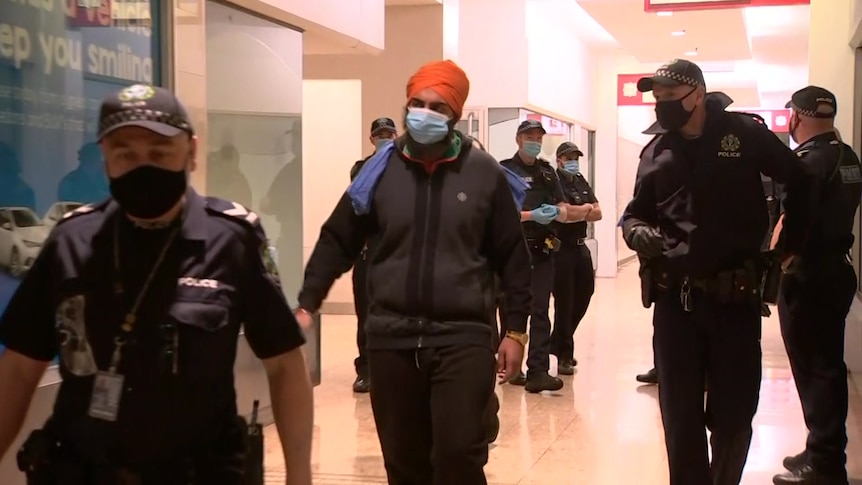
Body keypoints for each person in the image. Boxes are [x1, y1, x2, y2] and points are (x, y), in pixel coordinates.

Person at [0, 84, 313, 485]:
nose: (142, 166)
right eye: (124, 153)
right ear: (106, 160)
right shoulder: (72, 240)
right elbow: (20, 369)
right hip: (83, 473)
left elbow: (285, 365)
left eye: (159, 153)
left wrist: (299, 475)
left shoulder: (231, 239)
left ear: (192, 151)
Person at [294, 60, 531, 485]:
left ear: (454, 117)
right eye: (417, 104)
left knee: (459, 455)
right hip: (390, 338)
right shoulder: (379, 169)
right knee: (404, 463)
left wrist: (515, 330)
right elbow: (337, 238)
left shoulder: (485, 174)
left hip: (463, 335)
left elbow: (513, 255)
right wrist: (308, 300)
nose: (424, 114)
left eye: (437, 108)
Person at [621, 59, 817, 485]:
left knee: (732, 418)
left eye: (670, 97)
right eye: (657, 98)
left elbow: (799, 180)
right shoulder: (656, 150)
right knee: (680, 419)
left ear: (697, 94)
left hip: (734, 303)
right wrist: (636, 232)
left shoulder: (743, 135)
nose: (662, 106)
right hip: (675, 305)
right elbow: (634, 214)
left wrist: (787, 247)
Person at [771, 86, 861, 485]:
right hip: (837, 270)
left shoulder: (807, 162)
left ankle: (824, 464)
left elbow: (797, 219)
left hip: (810, 276)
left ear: (797, 116)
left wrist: (782, 259)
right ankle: (820, 447)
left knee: (815, 369)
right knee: (827, 365)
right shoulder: (847, 156)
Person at [500, 120, 572, 393]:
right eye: (529, 137)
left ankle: (538, 370)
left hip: (542, 248)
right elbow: (500, 213)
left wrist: (559, 212)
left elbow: (561, 203)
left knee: (541, 310)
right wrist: (531, 216)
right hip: (514, 248)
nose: (535, 142)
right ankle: (510, 366)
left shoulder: (547, 172)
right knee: (511, 310)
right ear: (518, 139)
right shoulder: (504, 170)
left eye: (538, 138)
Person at [348, 117, 398, 393]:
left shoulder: (407, 169)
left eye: (389, 134)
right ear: (371, 139)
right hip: (369, 251)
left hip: (398, 253)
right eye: (380, 135)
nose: (385, 138)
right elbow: (361, 203)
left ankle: (392, 370)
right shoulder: (361, 168)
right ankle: (365, 370)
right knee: (366, 314)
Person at [549, 142, 600, 374]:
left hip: (581, 247)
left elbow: (598, 213)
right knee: (565, 301)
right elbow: (564, 215)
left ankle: (557, 341)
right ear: (559, 160)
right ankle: (564, 356)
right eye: (568, 157)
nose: (573, 161)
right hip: (562, 249)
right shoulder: (553, 182)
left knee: (585, 293)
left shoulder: (579, 180)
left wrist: (580, 211)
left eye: (576, 158)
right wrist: (585, 210)